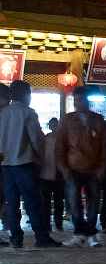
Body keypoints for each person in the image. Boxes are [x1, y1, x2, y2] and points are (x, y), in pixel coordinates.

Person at [0, 80, 60, 248]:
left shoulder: (3, 114)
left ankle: (16, 238)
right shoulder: (28, 113)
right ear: (26, 95)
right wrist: (41, 157)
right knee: (33, 201)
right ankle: (41, 237)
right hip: (24, 163)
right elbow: (37, 139)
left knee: (11, 203)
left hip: (6, 165)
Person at [58, 85, 106, 248]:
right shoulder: (67, 120)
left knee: (94, 202)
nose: (77, 103)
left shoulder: (98, 120)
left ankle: (91, 232)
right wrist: (63, 166)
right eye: (76, 100)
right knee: (74, 202)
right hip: (73, 166)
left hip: (93, 167)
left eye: (80, 100)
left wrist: (102, 166)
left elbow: (104, 146)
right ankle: (80, 233)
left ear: (87, 101)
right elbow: (60, 145)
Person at [39, 117, 66, 233]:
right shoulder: (45, 139)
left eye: (56, 125)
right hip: (46, 174)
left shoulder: (62, 140)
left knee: (57, 201)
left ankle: (57, 223)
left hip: (56, 174)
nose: (55, 127)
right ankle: (48, 224)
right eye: (53, 125)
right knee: (47, 202)